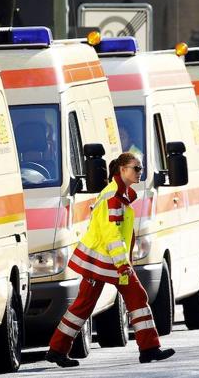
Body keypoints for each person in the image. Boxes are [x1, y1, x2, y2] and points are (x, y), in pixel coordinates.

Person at [45, 152, 175, 367]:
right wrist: (122, 263)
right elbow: (111, 233)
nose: (140, 172)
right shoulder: (114, 196)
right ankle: (149, 348)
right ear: (123, 169)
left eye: (141, 169)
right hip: (108, 262)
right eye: (136, 168)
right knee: (135, 298)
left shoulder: (118, 194)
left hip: (104, 261)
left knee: (85, 304)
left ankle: (57, 350)